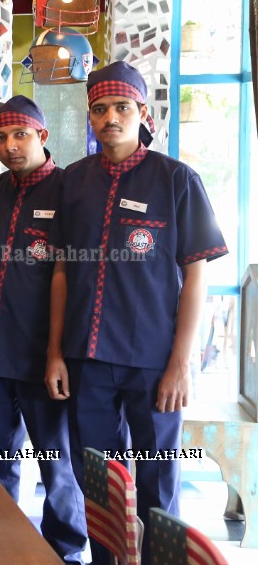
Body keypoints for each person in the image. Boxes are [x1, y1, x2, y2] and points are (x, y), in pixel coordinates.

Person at [45, 62, 227, 563]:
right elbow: (61, 271)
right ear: (90, 116)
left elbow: (197, 274)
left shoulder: (176, 179)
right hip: (87, 358)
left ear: (141, 112)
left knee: (157, 478)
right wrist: (56, 353)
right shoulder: (74, 182)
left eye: (121, 107)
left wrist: (180, 365)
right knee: (100, 483)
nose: (110, 118)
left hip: (152, 359)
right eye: (100, 109)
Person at [0, 96, 87, 563]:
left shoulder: (70, 192)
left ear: (43, 136)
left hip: (46, 360)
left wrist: (61, 353)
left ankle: (67, 552)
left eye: (20, 135)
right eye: (1, 137)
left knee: (59, 468)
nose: (10, 145)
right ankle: (1, 549)